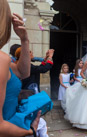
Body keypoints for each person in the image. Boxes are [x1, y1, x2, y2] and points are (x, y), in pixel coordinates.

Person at [0, 0, 41, 136]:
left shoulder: (5, 60)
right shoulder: (2, 59)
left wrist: (24, 40)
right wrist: (31, 131)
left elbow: (23, 72)